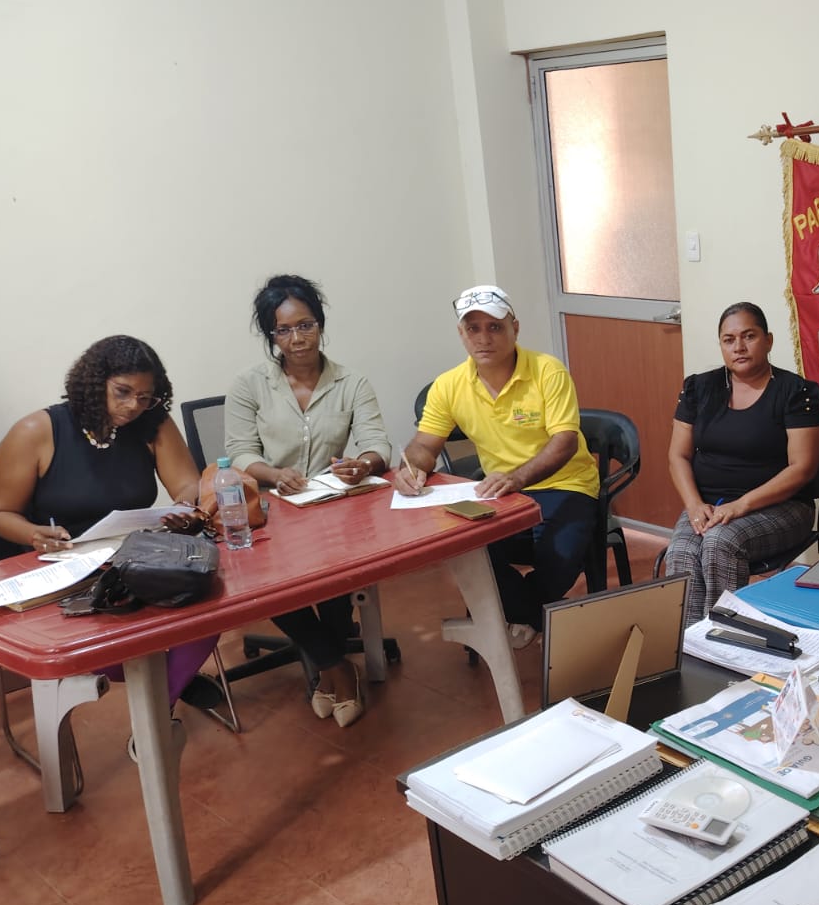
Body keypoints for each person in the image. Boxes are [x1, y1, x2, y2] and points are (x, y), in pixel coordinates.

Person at [0, 335, 221, 709]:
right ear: (94, 383)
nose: (133, 406)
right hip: (66, 569)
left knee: (209, 607)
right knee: (109, 647)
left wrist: (186, 503)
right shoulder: (38, 431)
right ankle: (169, 687)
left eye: (145, 397)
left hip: (136, 559)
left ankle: (159, 706)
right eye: (122, 392)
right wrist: (32, 533)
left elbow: (188, 484)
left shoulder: (152, 424)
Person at [225, 274, 391, 728]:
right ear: (270, 335)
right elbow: (239, 451)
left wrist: (363, 464)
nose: (296, 338)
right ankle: (336, 667)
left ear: (320, 324)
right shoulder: (249, 385)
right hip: (274, 511)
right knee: (267, 583)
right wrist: (274, 474)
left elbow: (377, 442)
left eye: (306, 325)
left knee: (337, 572)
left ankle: (327, 672)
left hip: (333, 507)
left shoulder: (351, 382)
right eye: (283, 330)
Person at [395, 285, 599, 648]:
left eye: (494, 327)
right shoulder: (449, 385)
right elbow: (424, 445)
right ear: (461, 334)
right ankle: (538, 614)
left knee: (561, 556)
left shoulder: (547, 371)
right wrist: (412, 468)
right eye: (473, 329)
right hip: (499, 491)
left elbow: (565, 442)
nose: (483, 338)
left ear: (514, 328)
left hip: (565, 483)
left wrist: (518, 477)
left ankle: (524, 615)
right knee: (464, 550)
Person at [666, 302, 819, 626]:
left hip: (782, 506)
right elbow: (677, 456)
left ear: (768, 340)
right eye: (729, 339)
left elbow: (803, 468)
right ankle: (686, 644)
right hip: (709, 505)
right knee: (682, 550)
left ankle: (725, 637)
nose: (738, 346)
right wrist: (694, 505)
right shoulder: (698, 388)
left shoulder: (796, 392)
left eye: (749, 336)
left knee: (719, 543)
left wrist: (741, 505)